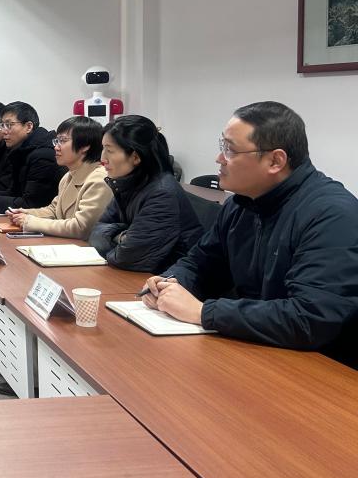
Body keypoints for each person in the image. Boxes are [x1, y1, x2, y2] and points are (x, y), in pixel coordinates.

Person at [142, 102, 358, 367]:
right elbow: (201, 263)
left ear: (275, 161)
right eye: (222, 146)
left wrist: (204, 312)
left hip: (321, 367)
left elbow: (311, 318)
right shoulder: (241, 204)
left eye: (230, 150)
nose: (219, 159)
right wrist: (169, 283)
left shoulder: (332, 215)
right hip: (260, 349)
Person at [89, 115, 202, 273]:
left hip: (168, 279)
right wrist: (123, 236)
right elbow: (95, 234)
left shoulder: (161, 194)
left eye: (109, 150)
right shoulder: (129, 183)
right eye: (103, 149)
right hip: (144, 275)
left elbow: (127, 257)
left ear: (135, 157)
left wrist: (118, 236)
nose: (103, 158)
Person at [8, 116, 112, 240]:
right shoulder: (68, 175)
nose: (56, 147)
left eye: (63, 141)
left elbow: (81, 228)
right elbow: (54, 210)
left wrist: (30, 221)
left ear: (85, 146)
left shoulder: (100, 179)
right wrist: (26, 213)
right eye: (56, 141)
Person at [0, 101, 63, 214]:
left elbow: (32, 204)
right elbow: (14, 192)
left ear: (28, 126)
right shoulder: (21, 150)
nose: (4, 131)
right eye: (2, 125)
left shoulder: (43, 156)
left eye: (9, 125)